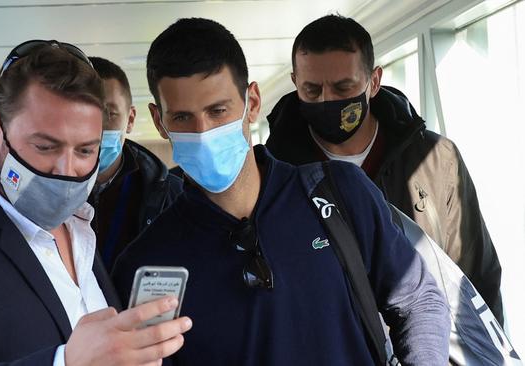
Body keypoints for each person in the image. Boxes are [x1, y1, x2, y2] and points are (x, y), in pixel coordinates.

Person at [112, 18, 450, 366]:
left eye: (218, 111)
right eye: (182, 118)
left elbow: (419, 301)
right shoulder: (147, 265)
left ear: (252, 102)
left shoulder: (339, 194)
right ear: (158, 120)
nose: (203, 132)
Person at [0, 40, 191, 365]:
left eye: (85, 151)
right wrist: (65, 362)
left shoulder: (79, 229)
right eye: (45, 147)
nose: (67, 172)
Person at [264, 14, 503, 324]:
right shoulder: (275, 175)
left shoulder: (435, 160)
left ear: (373, 82)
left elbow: (476, 274)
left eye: (343, 87)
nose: (327, 100)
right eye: (312, 90)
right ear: (296, 83)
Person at [87, 56, 182, 270]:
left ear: (129, 120)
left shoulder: (171, 195)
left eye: (109, 113)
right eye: (84, 114)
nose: (96, 127)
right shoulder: (45, 190)